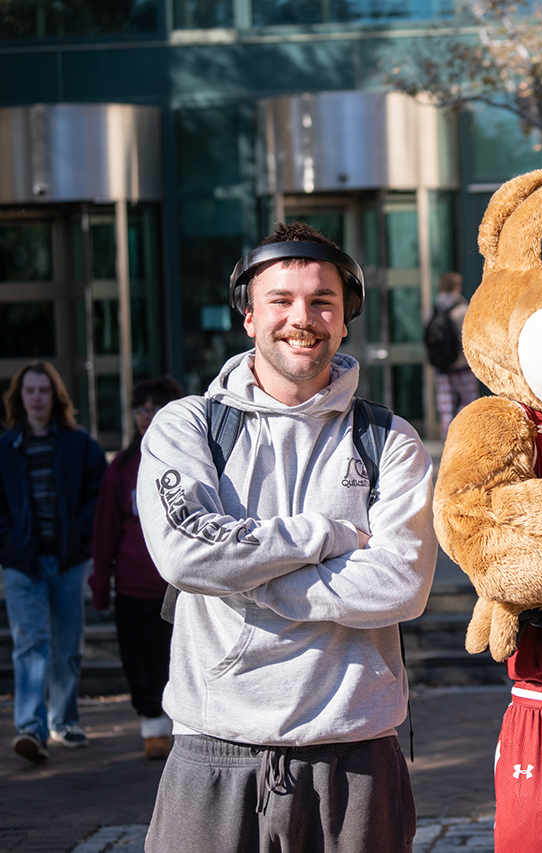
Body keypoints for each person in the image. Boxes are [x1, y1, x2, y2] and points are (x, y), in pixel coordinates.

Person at [136, 221, 437, 852]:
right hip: (213, 749)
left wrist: (245, 576)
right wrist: (323, 535)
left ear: (345, 319)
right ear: (248, 316)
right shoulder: (187, 426)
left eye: (322, 301)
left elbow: (401, 586)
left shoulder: (390, 441)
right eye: (281, 300)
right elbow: (186, 555)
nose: (303, 318)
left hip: (356, 756)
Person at [0, 360, 106, 764]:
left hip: (67, 560)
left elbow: (98, 494)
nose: (37, 397)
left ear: (55, 396)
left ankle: (64, 719)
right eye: (30, 390)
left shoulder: (79, 445)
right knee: (29, 644)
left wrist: (80, 536)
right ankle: (31, 728)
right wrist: (8, 543)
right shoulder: (5, 449)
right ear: (20, 397)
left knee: (67, 645)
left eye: (44, 390)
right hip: (21, 563)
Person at [90, 375, 184, 760]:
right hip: (132, 585)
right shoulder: (123, 467)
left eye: (155, 408)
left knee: (174, 658)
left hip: (177, 584)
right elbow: (105, 529)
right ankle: (152, 724)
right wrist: (100, 583)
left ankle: (177, 724)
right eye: (141, 409)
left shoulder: (192, 461)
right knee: (139, 662)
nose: (147, 417)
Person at [427, 270, 479, 434]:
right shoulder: (462, 309)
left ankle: (448, 442)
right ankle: (469, 438)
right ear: (457, 287)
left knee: (446, 408)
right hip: (462, 366)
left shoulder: (434, 309)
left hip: (442, 368)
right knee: (470, 404)